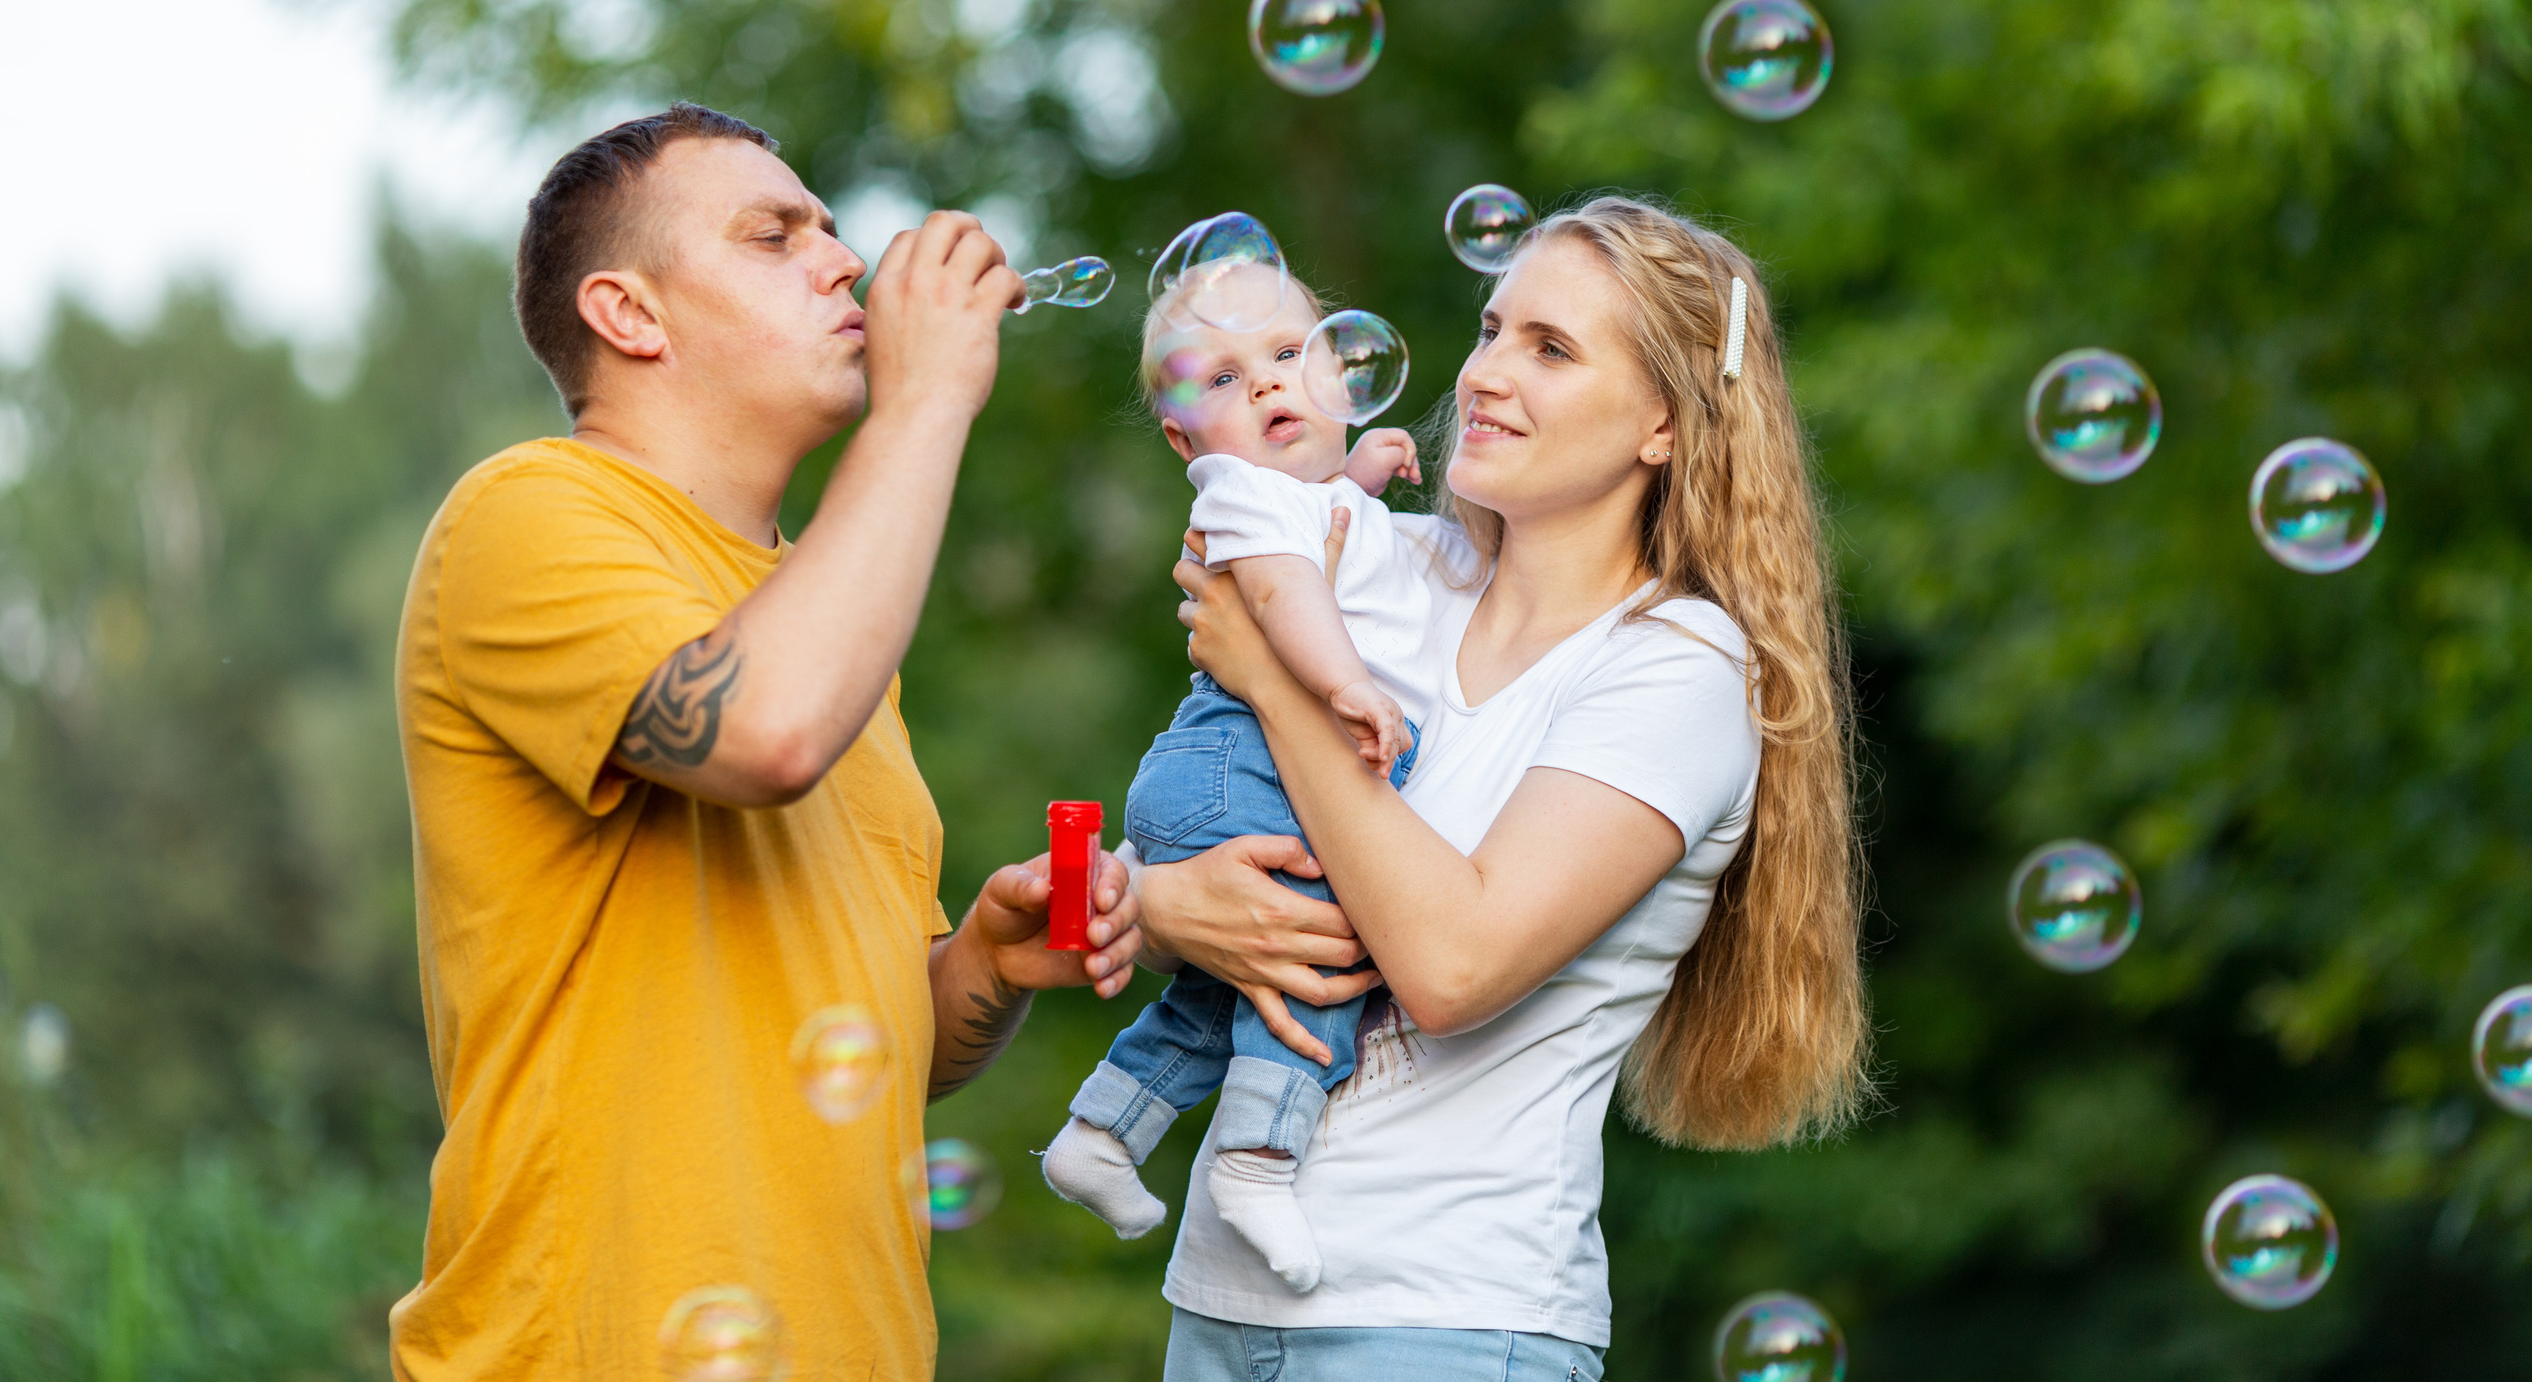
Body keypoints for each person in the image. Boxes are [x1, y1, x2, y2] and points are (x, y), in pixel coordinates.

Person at [388, 103, 1140, 1381]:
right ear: (631, 315)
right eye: (774, 233)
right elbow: (763, 730)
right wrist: (930, 399)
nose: (844, 261)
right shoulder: (525, 516)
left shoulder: (824, 621)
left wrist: (984, 969)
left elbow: (868, 1055)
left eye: (833, 230)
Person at [1133, 197, 1872, 1380]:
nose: (1484, 374)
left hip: (1448, 1321)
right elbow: (1214, 812)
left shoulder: (1676, 667)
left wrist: (1273, 683)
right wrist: (1157, 911)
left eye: (1551, 349)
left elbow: (1453, 966)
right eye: (1491, 328)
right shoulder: (1384, 559)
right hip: (1217, 1303)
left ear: (1664, 428)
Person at [1041, 265, 1429, 1289]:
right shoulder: (1243, 497)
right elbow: (1287, 585)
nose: (1264, 386)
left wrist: (1365, 473)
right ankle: (1258, 1157)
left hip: (1213, 771)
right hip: (1246, 764)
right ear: (1183, 441)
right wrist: (1346, 686)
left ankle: (1102, 1129)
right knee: (1332, 943)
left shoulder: (1286, 497)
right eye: (1221, 378)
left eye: (1286, 356)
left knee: (1225, 984)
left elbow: (1318, 535)